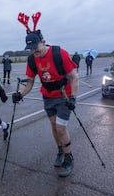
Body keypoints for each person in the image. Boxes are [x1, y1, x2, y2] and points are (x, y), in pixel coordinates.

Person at [13, 15, 79, 177]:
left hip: (64, 96)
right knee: (53, 126)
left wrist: (73, 98)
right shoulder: (32, 60)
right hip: (48, 97)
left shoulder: (59, 53)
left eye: (36, 46)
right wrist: (19, 94)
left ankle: (69, 157)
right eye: (30, 48)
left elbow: (74, 77)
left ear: (43, 42)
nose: (34, 50)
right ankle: (60, 151)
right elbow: (29, 83)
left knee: (61, 128)